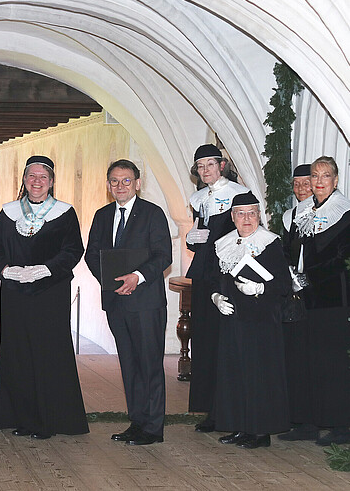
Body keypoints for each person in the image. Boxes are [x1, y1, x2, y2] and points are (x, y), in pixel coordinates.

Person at [0, 155, 88, 439]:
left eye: (43, 177)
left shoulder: (64, 213)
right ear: (24, 179)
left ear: (52, 182)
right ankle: (22, 418)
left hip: (50, 293)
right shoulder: (9, 212)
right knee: (18, 353)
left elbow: (73, 250)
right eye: (32, 176)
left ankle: (50, 420)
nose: (37, 181)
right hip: (15, 293)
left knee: (48, 352)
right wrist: (5, 270)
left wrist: (46, 269)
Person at [85, 159, 172, 445]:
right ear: (108, 185)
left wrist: (137, 277)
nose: (120, 186)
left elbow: (163, 255)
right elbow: (92, 254)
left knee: (149, 365)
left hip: (145, 302)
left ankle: (153, 428)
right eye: (114, 181)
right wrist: (110, 281)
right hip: (116, 302)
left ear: (137, 183)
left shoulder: (152, 213)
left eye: (126, 180)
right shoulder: (102, 215)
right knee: (129, 365)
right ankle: (137, 422)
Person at [210, 192, 291, 449]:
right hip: (233, 320)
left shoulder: (270, 243)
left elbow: (284, 284)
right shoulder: (224, 243)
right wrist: (216, 297)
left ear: (259, 215)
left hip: (261, 320)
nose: (247, 219)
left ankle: (259, 432)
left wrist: (259, 288)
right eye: (241, 214)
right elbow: (214, 279)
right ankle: (240, 426)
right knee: (234, 374)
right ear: (233, 217)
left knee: (258, 376)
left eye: (252, 213)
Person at [279, 156, 350, 445]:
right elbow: (288, 249)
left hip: (330, 297)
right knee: (302, 359)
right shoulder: (301, 212)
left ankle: (340, 425)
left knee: (330, 362)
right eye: (315, 176)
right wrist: (290, 273)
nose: (319, 181)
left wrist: (309, 277)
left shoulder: (343, 213)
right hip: (300, 297)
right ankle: (306, 422)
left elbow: (341, 257)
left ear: (335, 180)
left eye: (325, 176)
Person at [185, 144, 248, 433]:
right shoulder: (198, 198)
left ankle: (230, 411)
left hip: (226, 275)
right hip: (203, 276)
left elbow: (243, 234)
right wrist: (192, 240)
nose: (205, 170)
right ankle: (211, 410)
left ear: (221, 166)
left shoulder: (238, 194)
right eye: (200, 166)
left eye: (210, 164)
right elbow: (200, 241)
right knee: (205, 342)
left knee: (226, 344)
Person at [278, 164, 312, 440]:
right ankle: (297, 417)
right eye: (296, 183)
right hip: (295, 291)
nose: (301, 188)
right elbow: (287, 252)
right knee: (296, 357)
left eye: (306, 183)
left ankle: (312, 419)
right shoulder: (289, 216)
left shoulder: (327, 213)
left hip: (318, 292)